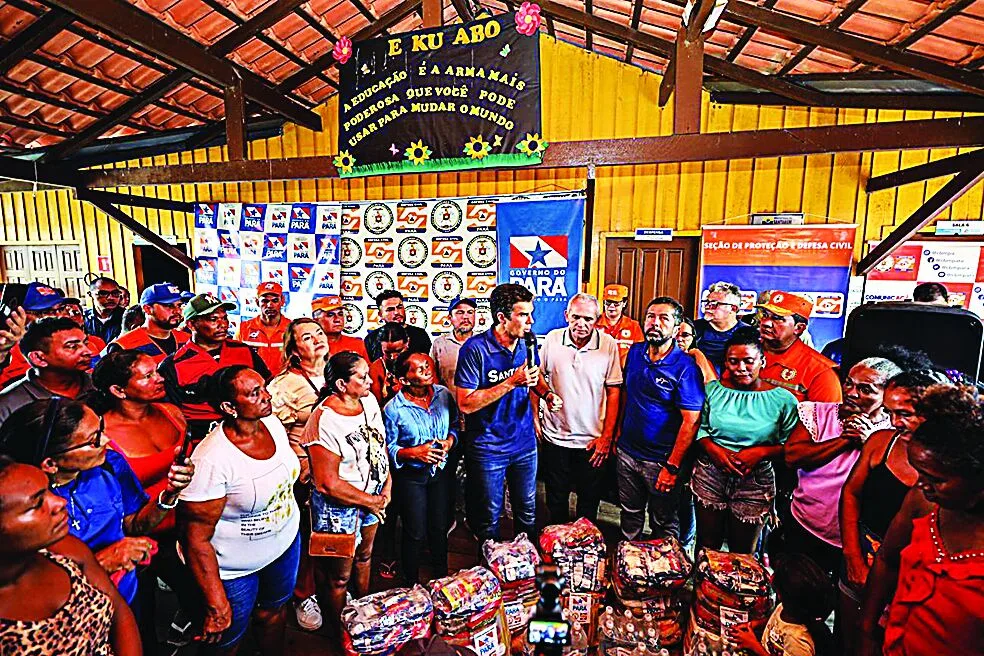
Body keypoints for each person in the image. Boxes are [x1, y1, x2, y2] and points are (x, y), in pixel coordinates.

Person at [0, 397, 193, 605]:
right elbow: (27, 591)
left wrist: (170, 493)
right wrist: (101, 563)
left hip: (125, 594)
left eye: (101, 429)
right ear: (51, 463)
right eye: (93, 440)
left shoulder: (111, 465)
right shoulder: (20, 506)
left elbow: (135, 525)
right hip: (74, 614)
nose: (106, 441)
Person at [178, 366, 300, 654]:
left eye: (263, 387)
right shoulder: (212, 460)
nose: (266, 396)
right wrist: (216, 599)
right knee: (228, 638)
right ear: (229, 407)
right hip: (232, 569)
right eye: (254, 393)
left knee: (273, 613)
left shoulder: (271, 424)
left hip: (282, 546)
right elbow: (195, 538)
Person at [87, 349, 203, 650]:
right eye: (148, 375)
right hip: (137, 534)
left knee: (201, 600)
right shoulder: (101, 434)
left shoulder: (171, 413)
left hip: (185, 528)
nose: (160, 378)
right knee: (141, 616)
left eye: (157, 371)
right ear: (118, 390)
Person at [859, 384, 984, 656]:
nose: (922, 485)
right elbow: (887, 560)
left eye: (936, 480)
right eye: (920, 473)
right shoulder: (922, 501)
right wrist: (867, 631)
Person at [837, 368, 950, 654]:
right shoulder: (881, 442)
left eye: (906, 414)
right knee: (850, 639)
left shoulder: (954, 467)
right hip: (864, 558)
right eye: (889, 412)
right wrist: (853, 557)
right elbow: (851, 493)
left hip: (914, 580)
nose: (895, 422)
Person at [0, 458, 141, 656]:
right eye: (37, 503)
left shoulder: (65, 551)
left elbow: (119, 611)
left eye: (49, 490)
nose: (60, 502)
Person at [455, 283, 561, 542]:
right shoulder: (474, 349)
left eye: (530, 314)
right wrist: (511, 382)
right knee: (489, 517)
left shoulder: (528, 342)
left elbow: (532, 377)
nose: (531, 321)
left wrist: (547, 394)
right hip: (489, 447)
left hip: (524, 444)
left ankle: (524, 571)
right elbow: (466, 403)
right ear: (502, 318)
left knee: (527, 512)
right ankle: (488, 573)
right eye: (523, 315)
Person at [782, 357, 900, 578]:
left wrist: (869, 444)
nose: (852, 393)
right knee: (795, 587)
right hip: (804, 522)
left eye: (865, 389)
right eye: (848, 383)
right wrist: (845, 440)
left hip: (854, 538)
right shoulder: (818, 413)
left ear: (887, 395)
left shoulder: (893, 431)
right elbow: (792, 456)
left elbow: (890, 487)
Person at [300, 352, 391, 635]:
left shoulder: (369, 401)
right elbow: (327, 482)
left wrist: (386, 486)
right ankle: (341, 629)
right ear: (341, 384)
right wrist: (373, 501)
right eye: (361, 377)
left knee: (365, 557)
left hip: (373, 500)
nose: (370, 381)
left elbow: (379, 447)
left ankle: (361, 611)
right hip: (337, 508)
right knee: (338, 577)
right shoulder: (324, 419)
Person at [693, 333, 798, 553]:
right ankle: (703, 587)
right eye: (733, 361)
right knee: (706, 545)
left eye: (748, 361)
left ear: (762, 361)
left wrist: (760, 453)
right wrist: (714, 451)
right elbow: (700, 427)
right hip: (711, 472)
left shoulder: (783, 399)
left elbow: (793, 445)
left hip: (755, 479)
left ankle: (737, 589)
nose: (741, 367)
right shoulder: (713, 392)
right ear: (725, 363)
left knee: (742, 552)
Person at [616, 296, 705, 541]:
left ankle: (664, 574)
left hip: (662, 460)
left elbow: (691, 421)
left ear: (676, 329)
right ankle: (629, 566)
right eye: (651, 316)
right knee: (630, 513)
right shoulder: (634, 353)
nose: (655, 323)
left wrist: (672, 467)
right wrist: (616, 436)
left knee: (663, 521)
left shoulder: (686, 367)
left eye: (664, 318)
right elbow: (625, 395)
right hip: (627, 453)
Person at [536, 293, 622, 524]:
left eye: (588, 319)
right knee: (555, 500)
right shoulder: (553, 339)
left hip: (592, 441)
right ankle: (556, 547)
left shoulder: (608, 344)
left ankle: (584, 546)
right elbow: (536, 379)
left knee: (589, 502)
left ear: (597, 319)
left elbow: (614, 391)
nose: (581, 324)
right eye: (575, 317)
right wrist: (537, 416)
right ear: (566, 315)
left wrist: (607, 437)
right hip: (555, 437)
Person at [266, 317, 329, 632]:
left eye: (319, 333)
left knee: (330, 534)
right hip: (302, 475)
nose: (317, 339)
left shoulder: (336, 370)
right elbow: (269, 435)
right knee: (303, 536)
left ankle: (331, 586)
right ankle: (303, 595)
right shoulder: (284, 386)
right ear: (293, 349)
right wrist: (298, 463)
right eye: (307, 337)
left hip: (336, 472)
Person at [384, 351, 457, 584]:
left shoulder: (443, 395)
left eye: (427, 365)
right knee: (414, 530)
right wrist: (415, 452)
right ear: (404, 379)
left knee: (439, 527)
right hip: (410, 476)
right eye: (418, 368)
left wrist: (449, 442)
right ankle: (410, 583)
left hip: (441, 473)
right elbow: (388, 448)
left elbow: (455, 426)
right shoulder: (394, 409)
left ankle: (441, 578)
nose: (426, 370)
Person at [159, 293, 270, 439]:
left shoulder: (244, 350)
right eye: (213, 319)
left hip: (251, 436)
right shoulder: (172, 366)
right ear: (191, 324)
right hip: (200, 443)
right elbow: (170, 417)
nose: (223, 324)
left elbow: (267, 385)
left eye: (224, 318)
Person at [730, 553, 836, 656]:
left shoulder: (798, 641)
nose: (771, 577)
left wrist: (754, 645)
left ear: (781, 594)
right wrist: (756, 624)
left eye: (775, 574)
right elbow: (777, 621)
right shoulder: (788, 608)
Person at [0, 317, 94, 424]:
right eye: (72, 346)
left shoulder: (101, 387)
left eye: (85, 343)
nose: (87, 351)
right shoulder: (8, 405)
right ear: (38, 358)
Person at [756, 291, 841, 403]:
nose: (766, 323)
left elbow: (824, 419)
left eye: (777, 318)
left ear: (799, 328)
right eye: (765, 315)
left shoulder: (821, 372)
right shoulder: (741, 353)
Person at [0, 282, 86, 389]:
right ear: (16, 315)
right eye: (47, 311)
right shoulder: (5, 353)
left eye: (60, 309)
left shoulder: (80, 345)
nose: (59, 316)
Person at [103, 283, 190, 364]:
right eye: (169, 305)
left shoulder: (187, 339)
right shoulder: (123, 346)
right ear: (147, 309)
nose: (178, 311)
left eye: (179, 305)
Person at [695, 281, 756, 373]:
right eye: (707, 302)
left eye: (715, 304)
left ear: (733, 309)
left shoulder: (748, 333)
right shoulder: (694, 328)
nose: (708, 307)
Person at [237, 282, 291, 376]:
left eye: (275, 301)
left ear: (282, 301)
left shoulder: (292, 328)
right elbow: (236, 360)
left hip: (284, 384)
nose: (270, 305)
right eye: (265, 301)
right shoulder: (244, 328)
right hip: (254, 385)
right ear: (257, 302)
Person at [429, 295, 477, 401]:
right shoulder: (439, 344)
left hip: (478, 410)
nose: (465, 317)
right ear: (450, 318)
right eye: (459, 312)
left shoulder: (485, 343)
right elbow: (432, 378)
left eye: (470, 312)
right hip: (447, 408)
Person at [364, 290, 431, 362]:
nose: (396, 312)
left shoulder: (420, 335)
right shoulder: (371, 339)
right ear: (380, 314)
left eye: (399, 307)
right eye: (390, 309)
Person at [595, 283, 643, 366]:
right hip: (598, 374)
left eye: (616, 303)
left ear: (624, 303)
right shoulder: (594, 324)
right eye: (608, 302)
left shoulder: (634, 326)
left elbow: (640, 354)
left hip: (624, 375)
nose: (612, 306)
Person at [312, 295, 369, 360]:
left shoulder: (357, 344)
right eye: (330, 315)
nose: (337, 319)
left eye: (340, 314)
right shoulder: (309, 347)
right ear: (316, 320)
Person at [368, 323, 409, 406]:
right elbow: (377, 405)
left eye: (398, 351)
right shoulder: (376, 368)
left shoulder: (420, 362)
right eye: (387, 352)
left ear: (407, 343)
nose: (392, 357)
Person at [84, 277, 126, 344]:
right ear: (90, 294)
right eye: (103, 293)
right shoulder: (83, 319)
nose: (110, 298)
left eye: (115, 293)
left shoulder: (128, 318)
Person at [678, 317, 718, 383]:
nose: (679, 339)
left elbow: (712, 388)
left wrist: (698, 354)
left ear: (693, 338)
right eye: (675, 334)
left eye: (685, 335)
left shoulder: (700, 359)